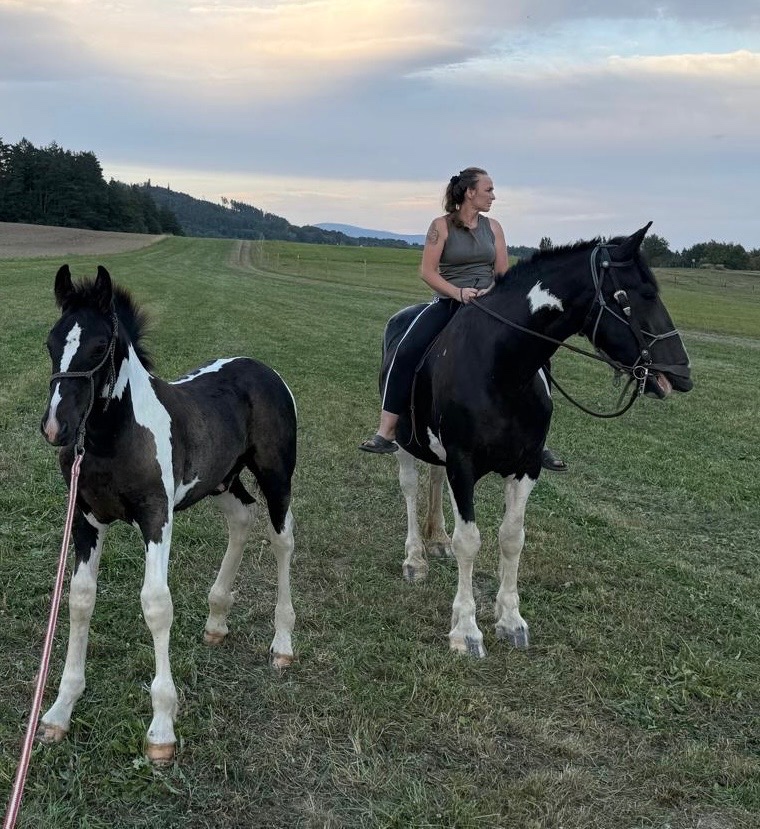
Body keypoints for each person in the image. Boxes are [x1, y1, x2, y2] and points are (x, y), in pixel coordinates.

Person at [359, 166, 567, 473]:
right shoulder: (440, 227)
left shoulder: (494, 227)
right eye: (488, 190)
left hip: (490, 307)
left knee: (535, 356)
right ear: (470, 192)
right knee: (405, 351)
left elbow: (503, 274)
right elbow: (427, 272)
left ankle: (539, 442)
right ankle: (386, 429)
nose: (493, 196)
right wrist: (458, 293)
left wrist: (489, 293)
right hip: (450, 302)